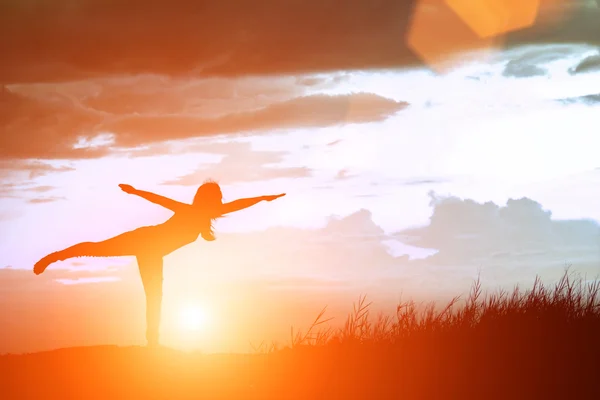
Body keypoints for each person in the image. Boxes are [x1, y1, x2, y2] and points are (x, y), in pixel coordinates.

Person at [33, 180, 286, 347]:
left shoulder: (207, 215)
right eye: (216, 196)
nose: (219, 200)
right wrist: (135, 192)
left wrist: (264, 198)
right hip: (144, 239)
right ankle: (52, 257)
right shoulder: (188, 210)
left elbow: (239, 204)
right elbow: (159, 199)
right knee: (96, 249)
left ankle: (152, 342)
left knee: (155, 296)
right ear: (208, 198)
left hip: (153, 253)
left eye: (218, 197)